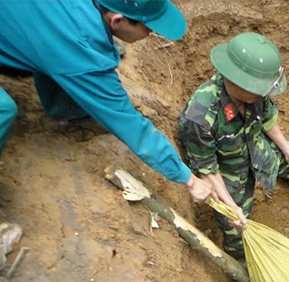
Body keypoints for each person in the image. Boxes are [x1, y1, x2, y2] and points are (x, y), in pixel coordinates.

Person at [0, 0, 212, 202]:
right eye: (147, 27)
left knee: (56, 51)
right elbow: (133, 128)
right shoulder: (83, 51)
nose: (150, 34)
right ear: (117, 20)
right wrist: (190, 180)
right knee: (4, 110)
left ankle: (62, 107)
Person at [178, 32, 289, 260]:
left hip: (259, 147)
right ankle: (240, 265)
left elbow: (267, 118)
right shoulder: (199, 118)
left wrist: (288, 152)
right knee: (236, 227)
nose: (266, 93)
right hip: (229, 173)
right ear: (239, 82)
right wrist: (232, 205)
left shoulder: (254, 92)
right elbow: (207, 169)